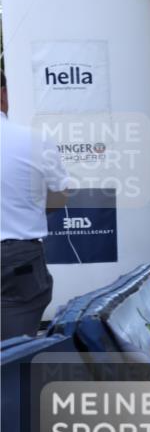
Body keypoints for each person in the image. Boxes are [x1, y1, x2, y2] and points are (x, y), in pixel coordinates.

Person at [1, 70, 71, 339]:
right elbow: (60, 194)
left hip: (18, 262)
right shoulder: (35, 140)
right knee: (15, 353)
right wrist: (31, 208)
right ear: (4, 94)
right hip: (18, 260)